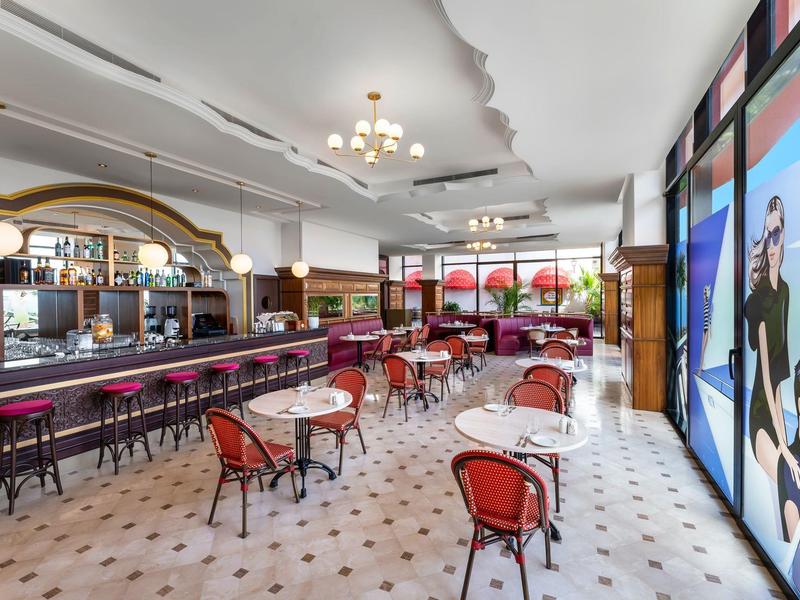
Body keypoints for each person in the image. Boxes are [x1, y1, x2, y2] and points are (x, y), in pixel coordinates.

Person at [745, 196, 795, 529]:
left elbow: (779, 377)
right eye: (768, 234)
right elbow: (764, 379)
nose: (772, 243)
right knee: (786, 472)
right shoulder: (759, 300)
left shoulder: (786, 293)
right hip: (760, 416)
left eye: (777, 234)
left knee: (792, 469)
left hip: (776, 408)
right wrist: (783, 446)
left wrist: (787, 441)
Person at [699, 284, 712, 371]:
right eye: (704, 291)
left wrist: (710, 331)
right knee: (702, 348)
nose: (704, 292)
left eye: (706, 291)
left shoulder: (708, 304)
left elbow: (709, 318)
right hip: (704, 328)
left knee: (703, 348)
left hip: (707, 329)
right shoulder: (705, 303)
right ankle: (701, 366)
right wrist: (705, 290)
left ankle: (702, 366)